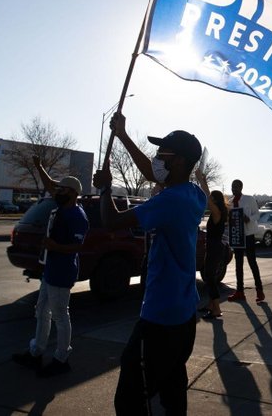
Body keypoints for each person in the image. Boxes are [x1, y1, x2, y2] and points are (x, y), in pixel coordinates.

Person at [93, 113, 205, 415]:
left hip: (160, 320)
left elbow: (111, 221)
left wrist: (105, 189)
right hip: (183, 316)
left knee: (131, 400)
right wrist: (123, 135)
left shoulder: (170, 201)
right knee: (171, 394)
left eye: (162, 154)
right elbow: (153, 173)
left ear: (178, 161)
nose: (156, 158)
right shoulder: (194, 195)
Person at [12, 156, 89, 377]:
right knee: (41, 311)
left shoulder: (77, 216)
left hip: (62, 272)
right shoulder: (63, 206)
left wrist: (55, 246)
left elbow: (77, 246)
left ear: (73, 193)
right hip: (50, 269)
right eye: (59, 189)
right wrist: (38, 167)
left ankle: (62, 358)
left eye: (63, 189)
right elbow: (49, 185)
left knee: (60, 316)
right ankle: (36, 351)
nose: (59, 191)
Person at [195, 167, 229, 319]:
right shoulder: (219, 213)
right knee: (210, 277)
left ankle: (217, 309)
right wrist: (203, 180)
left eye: (212, 200)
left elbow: (207, 196)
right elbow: (209, 197)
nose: (210, 202)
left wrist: (201, 181)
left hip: (215, 247)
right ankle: (211, 305)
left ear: (215, 200)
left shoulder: (217, 213)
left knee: (209, 278)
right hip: (213, 247)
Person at [227, 179, 265, 303]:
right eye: (232, 187)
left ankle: (259, 290)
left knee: (252, 262)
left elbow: (257, 214)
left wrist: (249, 219)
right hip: (237, 236)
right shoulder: (230, 202)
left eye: (236, 187)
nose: (233, 189)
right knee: (238, 264)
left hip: (248, 235)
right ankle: (239, 291)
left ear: (241, 187)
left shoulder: (249, 199)